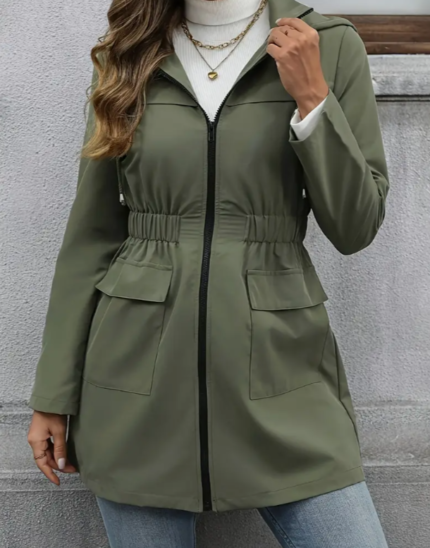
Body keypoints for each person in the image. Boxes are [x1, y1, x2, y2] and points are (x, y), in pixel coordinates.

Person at [27, 0, 391, 546]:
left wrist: (313, 99)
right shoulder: (131, 49)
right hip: (134, 390)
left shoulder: (328, 44)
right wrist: (53, 393)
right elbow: (91, 238)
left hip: (284, 378)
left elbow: (355, 226)